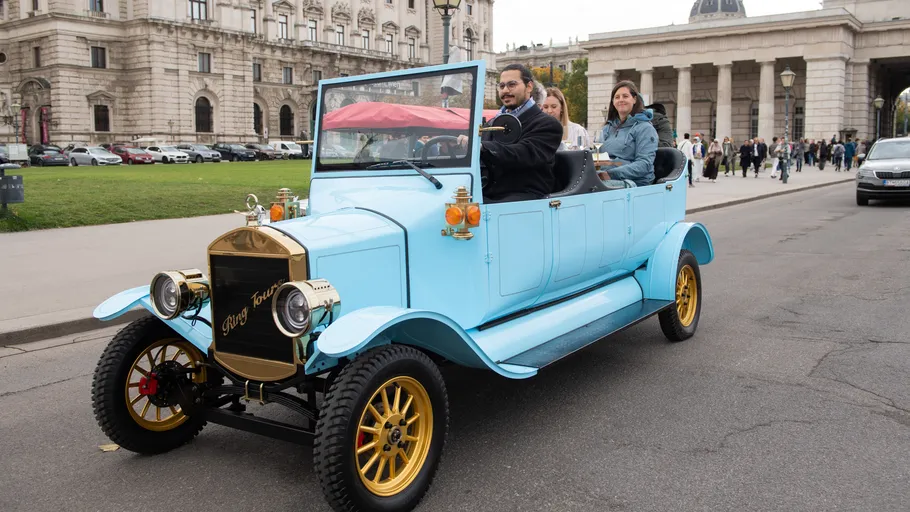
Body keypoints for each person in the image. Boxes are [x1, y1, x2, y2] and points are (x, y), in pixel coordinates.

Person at [458, 64, 562, 202]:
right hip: (486, 192)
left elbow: (525, 152)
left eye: (512, 85)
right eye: (501, 86)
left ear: (529, 87)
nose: (505, 90)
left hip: (525, 195)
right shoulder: (491, 123)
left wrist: (483, 147)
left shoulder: (547, 123)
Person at [597, 80, 658, 188]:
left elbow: (644, 164)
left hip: (635, 182)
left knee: (593, 187)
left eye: (625, 96)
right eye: (617, 97)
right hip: (605, 176)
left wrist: (611, 174)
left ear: (634, 99)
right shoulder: (607, 128)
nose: (621, 100)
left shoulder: (645, 128)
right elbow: (598, 156)